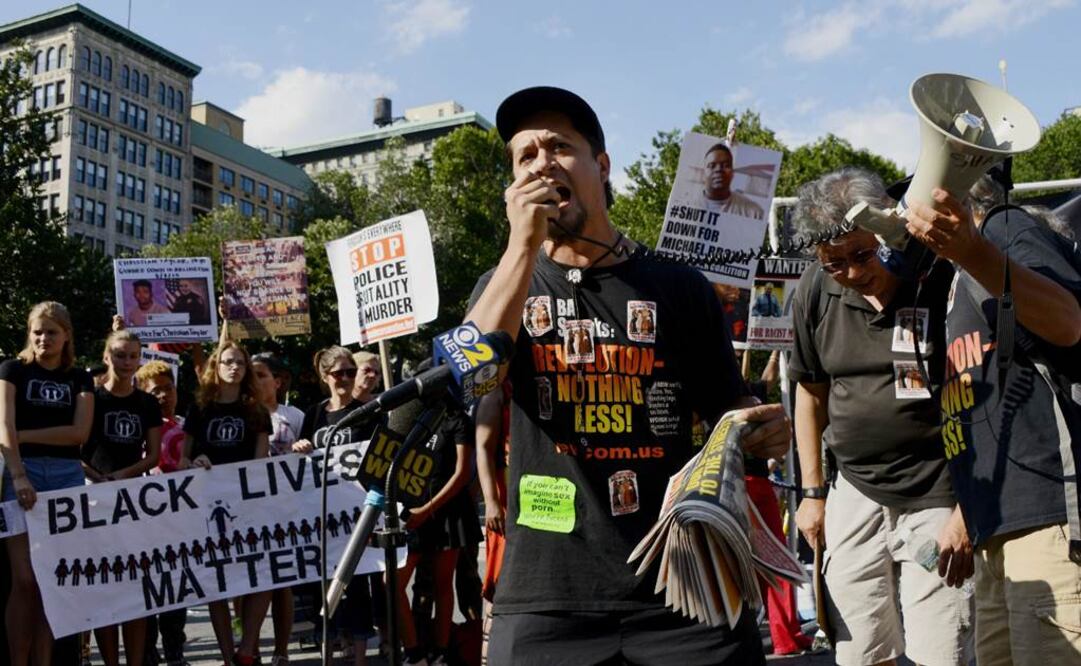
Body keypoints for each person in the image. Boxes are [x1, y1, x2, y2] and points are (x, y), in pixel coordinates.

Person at [466, 86, 791, 665]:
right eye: (526, 156)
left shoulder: (678, 285)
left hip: (684, 593)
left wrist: (764, 430)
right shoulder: (502, 286)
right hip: (547, 600)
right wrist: (522, 248)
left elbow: (729, 412)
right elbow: (467, 379)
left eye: (560, 147)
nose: (542, 162)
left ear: (602, 166)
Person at [788, 168, 972, 666]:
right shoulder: (814, 290)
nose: (851, 272)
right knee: (859, 650)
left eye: (862, 254)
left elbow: (987, 397)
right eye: (834, 263)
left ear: (887, 228)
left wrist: (967, 507)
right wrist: (812, 493)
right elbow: (810, 392)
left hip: (938, 490)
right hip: (855, 489)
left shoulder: (941, 275)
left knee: (942, 651)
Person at [904, 175, 1081, 664]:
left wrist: (972, 249)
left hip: (1046, 520)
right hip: (997, 526)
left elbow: (1068, 321)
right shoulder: (958, 275)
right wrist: (968, 509)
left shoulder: (1005, 228)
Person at [1, 302, 94, 666]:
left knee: (50, 582)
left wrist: (23, 433)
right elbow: (2, 428)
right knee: (23, 579)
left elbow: (79, 434)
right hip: (19, 475)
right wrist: (19, 474)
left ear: (66, 335)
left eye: (52, 332)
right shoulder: (12, 370)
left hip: (67, 477)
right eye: (37, 331)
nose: (43, 339)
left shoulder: (80, 378)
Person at [179, 341, 271, 666]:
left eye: (240, 364)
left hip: (247, 506)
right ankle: (226, 657)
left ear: (247, 371)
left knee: (262, 575)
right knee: (214, 582)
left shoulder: (257, 412)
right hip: (207, 509)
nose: (234, 368)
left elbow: (261, 464)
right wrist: (195, 463)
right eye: (227, 362)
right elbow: (182, 462)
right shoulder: (199, 410)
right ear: (215, 368)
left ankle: (246, 648)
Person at [390, 361, 482, 666]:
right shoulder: (408, 415)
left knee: (444, 586)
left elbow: (460, 476)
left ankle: (441, 653)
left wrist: (427, 509)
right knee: (393, 584)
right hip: (411, 513)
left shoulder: (457, 418)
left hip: (447, 513)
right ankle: (414, 651)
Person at [81, 329, 162, 666]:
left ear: (139, 359)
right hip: (92, 498)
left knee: (135, 586)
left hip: (133, 500)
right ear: (106, 357)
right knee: (104, 586)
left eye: (132, 356)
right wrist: (97, 477)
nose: (126, 362)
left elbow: (154, 455)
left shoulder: (146, 403)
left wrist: (122, 477)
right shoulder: (91, 398)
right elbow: (75, 447)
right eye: (119, 355)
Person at [293, 347, 378, 666]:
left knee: (356, 588)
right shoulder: (314, 415)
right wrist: (300, 448)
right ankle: (328, 655)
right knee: (323, 589)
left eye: (349, 372)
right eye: (338, 373)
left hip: (356, 514)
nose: (344, 378)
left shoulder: (366, 411)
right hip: (320, 516)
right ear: (324, 377)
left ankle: (360, 660)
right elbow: (299, 459)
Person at [251, 352, 305, 666]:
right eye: (252, 375)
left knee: (283, 582)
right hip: (250, 508)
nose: (255, 381)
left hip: (285, 508)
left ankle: (281, 651)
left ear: (278, 381)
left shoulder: (294, 416)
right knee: (249, 582)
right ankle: (251, 647)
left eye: (261, 375)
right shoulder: (242, 415)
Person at [133, 360, 188, 666]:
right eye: (156, 391)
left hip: (179, 522)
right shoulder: (139, 429)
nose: (164, 396)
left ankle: (175, 651)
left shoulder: (187, 425)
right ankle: (148, 651)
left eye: (168, 389)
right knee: (147, 585)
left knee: (176, 585)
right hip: (145, 520)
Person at [701, 143, 764, 220]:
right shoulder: (686, 204)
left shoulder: (754, 213)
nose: (718, 170)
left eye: (726, 165)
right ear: (703, 173)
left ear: (733, 173)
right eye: (712, 166)